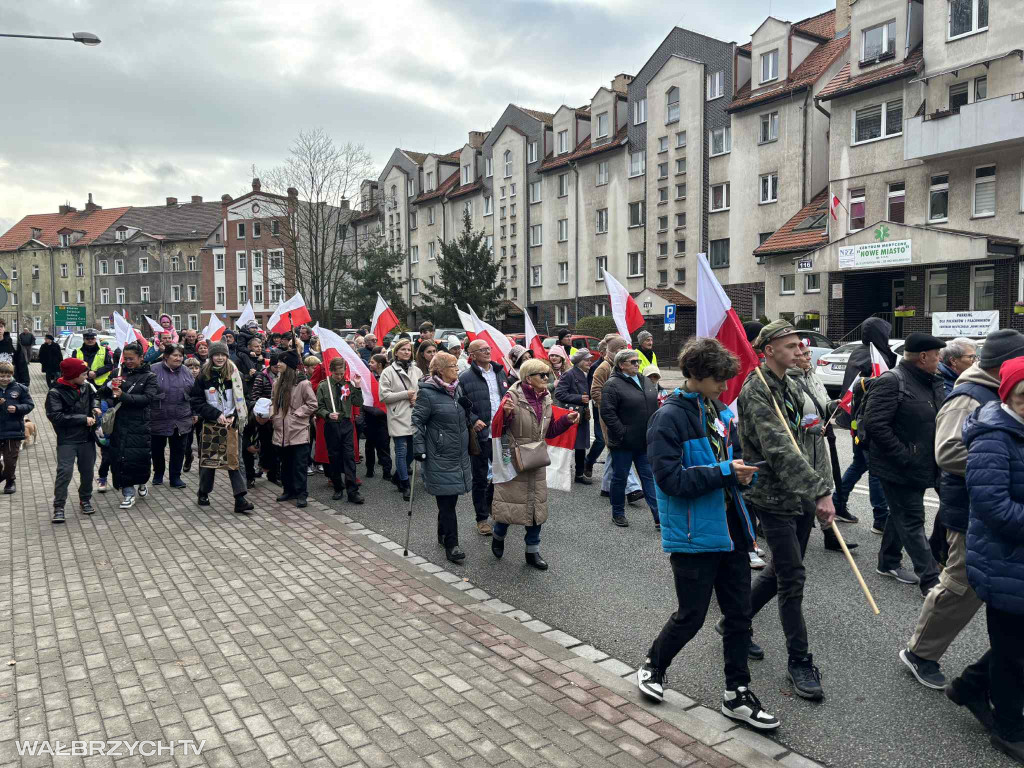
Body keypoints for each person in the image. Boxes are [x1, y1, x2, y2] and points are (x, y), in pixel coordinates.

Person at [636, 338, 778, 730]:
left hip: (730, 529)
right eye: (719, 379)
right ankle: (654, 665)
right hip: (694, 534)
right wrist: (727, 472)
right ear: (696, 375)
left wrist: (742, 476)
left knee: (739, 614)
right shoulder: (667, 418)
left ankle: (737, 693)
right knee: (692, 615)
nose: (725, 387)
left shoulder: (714, 410)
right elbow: (668, 480)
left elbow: (726, 465)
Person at [899, 329, 1024, 690]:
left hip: (996, 508)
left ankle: (993, 671)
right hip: (971, 509)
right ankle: (920, 653)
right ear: (1005, 366)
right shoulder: (968, 396)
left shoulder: (1000, 390)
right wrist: (1003, 461)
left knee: (997, 589)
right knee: (960, 586)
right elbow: (948, 453)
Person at [738, 320, 835, 701]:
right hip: (774, 497)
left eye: (800, 345)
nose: (800, 351)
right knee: (793, 577)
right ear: (769, 351)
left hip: (801, 496)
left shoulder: (793, 384)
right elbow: (779, 449)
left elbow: (807, 436)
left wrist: (822, 490)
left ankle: (735, 621)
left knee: (780, 570)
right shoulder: (756, 390)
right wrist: (821, 492)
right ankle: (799, 662)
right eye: (792, 346)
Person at [952, 358, 1024, 763]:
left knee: (1015, 645)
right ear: (1007, 395)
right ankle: (1009, 728)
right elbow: (993, 506)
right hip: (1004, 560)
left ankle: (969, 686)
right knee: (1014, 653)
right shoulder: (994, 436)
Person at [866, 333, 944, 595]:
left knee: (900, 512)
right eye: (937, 354)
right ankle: (931, 581)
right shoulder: (892, 381)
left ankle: (887, 561)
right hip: (899, 466)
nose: (940, 359)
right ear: (923, 357)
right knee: (912, 518)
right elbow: (875, 425)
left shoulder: (931, 381)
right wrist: (905, 456)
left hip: (921, 463)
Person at [490, 358, 578, 570]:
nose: (546, 378)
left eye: (547, 374)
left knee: (536, 508)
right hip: (515, 459)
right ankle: (498, 536)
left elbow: (548, 432)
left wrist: (566, 421)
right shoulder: (512, 397)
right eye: (542, 375)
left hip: (536, 459)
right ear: (528, 378)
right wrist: (506, 414)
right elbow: (498, 428)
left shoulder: (546, 398)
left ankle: (532, 552)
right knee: (510, 505)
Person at [788, 342, 859, 555]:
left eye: (809, 353)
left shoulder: (813, 376)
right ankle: (787, 537)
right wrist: (811, 426)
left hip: (818, 444)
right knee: (801, 492)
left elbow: (823, 403)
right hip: (800, 445)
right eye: (804, 354)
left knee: (822, 487)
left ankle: (831, 535)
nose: (809, 357)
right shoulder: (787, 381)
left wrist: (834, 405)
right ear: (794, 356)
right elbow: (790, 416)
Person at [833, 317, 894, 532]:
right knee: (875, 468)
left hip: (857, 420)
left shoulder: (861, 352)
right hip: (866, 421)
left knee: (860, 463)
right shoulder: (871, 355)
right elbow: (864, 388)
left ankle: (837, 503)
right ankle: (880, 517)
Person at [413, 352, 474, 564]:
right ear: (440, 370)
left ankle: (442, 531)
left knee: (451, 498)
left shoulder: (456, 388)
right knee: (447, 502)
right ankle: (452, 544)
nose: (457, 370)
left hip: (458, 453)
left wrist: (468, 411)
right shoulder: (427, 394)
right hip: (439, 454)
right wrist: (418, 448)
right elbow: (417, 422)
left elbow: (460, 418)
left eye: (457, 366)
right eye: (453, 366)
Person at [189, 341, 253, 513]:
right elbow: (196, 400)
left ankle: (240, 499)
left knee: (234, 460)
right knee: (210, 460)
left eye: (223, 355)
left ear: (226, 355)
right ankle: (203, 492)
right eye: (216, 354)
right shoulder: (203, 375)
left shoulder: (235, 374)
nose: (219, 358)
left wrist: (233, 416)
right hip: (211, 423)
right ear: (211, 356)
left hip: (232, 423)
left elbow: (245, 398)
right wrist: (215, 414)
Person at [601, 348, 661, 529]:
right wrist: (623, 432)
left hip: (644, 441)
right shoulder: (612, 384)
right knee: (620, 478)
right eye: (633, 362)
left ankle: (659, 517)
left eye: (638, 362)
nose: (637, 364)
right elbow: (607, 412)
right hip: (623, 443)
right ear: (621, 365)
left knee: (648, 477)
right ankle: (617, 512)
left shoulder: (645, 380)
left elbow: (654, 403)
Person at [458, 340, 509, 535]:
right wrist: (473, 419)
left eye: (489, 348)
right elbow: (460, 404)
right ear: (472, 354)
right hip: (481, 435)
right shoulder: (465, 377)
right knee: (479, 478)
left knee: (502, 474)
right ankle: (481, 518)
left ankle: (492, 505)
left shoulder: (500, 372)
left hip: (501, 434)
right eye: (482, 349)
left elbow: (507, 397)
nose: (487, 352)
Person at [100, 342, 158, 510]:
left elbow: (147, 399)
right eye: (126, 358)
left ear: (141, 358)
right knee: (120, 458)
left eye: (132, 358)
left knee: (139, 457)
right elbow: (101, 392)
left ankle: (141, 482)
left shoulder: (149, 376)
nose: (128, 362)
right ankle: (127, 492)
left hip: (139, 424)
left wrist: (123, 395)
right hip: (119, 423)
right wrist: (110, 385)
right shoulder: (117, 373)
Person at [46, 357, 99, 522]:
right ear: (72, 374)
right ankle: (59, 506)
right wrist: (83, 419)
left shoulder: (87, 386)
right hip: (67, 439)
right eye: (83, 374)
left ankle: (85, 499)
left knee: (88, 472)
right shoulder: (55, 393)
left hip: (87, 438)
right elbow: (56, 416)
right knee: (64, 473)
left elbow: (94, 397)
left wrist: (95, 406)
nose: (86, 376)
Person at [271, 350, 318, 507]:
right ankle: (288, 490)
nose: (278, 364)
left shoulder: (303, 384)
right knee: (285, 463)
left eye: (281, 362)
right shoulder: (277, 383)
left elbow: (312, 404)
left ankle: (301, 493)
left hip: (298, 430)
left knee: (299, 465)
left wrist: (297, 414)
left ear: (289, 365)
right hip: (281, 430)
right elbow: (273, 401)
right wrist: (274, 416)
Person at [317, 357, 365, 503]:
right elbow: (319, 408)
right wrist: (327, 414)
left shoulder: (348, 385)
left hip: (346, 424)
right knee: (334, 457)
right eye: (337, 374)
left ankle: (353, 491)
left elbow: (358, 403)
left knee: (349, 457)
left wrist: (357, 387)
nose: (339, 376)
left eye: (342, 373)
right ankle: (338, 487)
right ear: (331, 371)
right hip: (331, 425)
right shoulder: (324, 386)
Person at [379, 338, 422, 501]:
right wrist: (406, 394)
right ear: (396, 352)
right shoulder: (388, 372)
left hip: (415, 415)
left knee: (413, 451)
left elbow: (422, 390)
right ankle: (405, 484)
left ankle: (398, 476)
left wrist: (416, 397)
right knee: (401, 452)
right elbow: (383, 396)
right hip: (398, 416)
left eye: (408, 349)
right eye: (402, 349)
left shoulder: (416, 370)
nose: (406, 352)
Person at [150, 344, 194, 489]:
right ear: (166, 356)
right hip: (159, 416)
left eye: (180, 355)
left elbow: (194, 394)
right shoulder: (153, 370)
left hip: (181, 417)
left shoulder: (186, 371)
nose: (178, 358)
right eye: (175, 355)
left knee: (179, 449)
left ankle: (175, 476)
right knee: (157, 448)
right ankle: (158, 473)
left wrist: (195, 413)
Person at [555, 348, 594, 485]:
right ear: (579, 362)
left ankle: (579, 474)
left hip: (582, 415)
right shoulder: (569, 374)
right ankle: (560, 473)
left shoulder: (586, 373)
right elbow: (559, 394)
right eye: (587, 360)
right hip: (571, 415)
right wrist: (578, 398)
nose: (590, 361)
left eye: (590, 359)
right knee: (567, 447)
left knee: (580, 446)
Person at [0, 360, 34, 494]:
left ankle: (9, 481)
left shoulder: (20, 388)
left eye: (8, 376)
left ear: (12, 375)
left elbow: (30, 405)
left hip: (13, 430)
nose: (5, 378)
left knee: (10, 461)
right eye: (2, 375)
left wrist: (18, 408)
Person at [251, 351, 281, 484]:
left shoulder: (282, 376)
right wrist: (264, 407)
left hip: (278, 415)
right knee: (265, 444)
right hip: (265, 417)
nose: (277, 370)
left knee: (276, 446)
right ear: (271, 366)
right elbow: (255, 396)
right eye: (275, 367)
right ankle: (263, 467)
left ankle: (274, 472)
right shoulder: (261, 377)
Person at [362, 354, 393, 480]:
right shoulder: (368, 377)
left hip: (383, 416)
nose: (369, 364)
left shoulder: (388, 377)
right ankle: (369, 469)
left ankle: (387, 472)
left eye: (372, 362)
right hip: (370, 414)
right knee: (369, 444)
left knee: (384, 444)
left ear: (380, 364)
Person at [182, 356, 201, 472]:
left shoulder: (202, 380)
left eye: (196, 367)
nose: (194, 370)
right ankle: (188, 457)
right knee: (186, 442)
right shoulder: (183, 381)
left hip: (200, 414)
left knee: (201, 440)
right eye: (190, 368)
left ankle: (201, 463)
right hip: (187, 414)